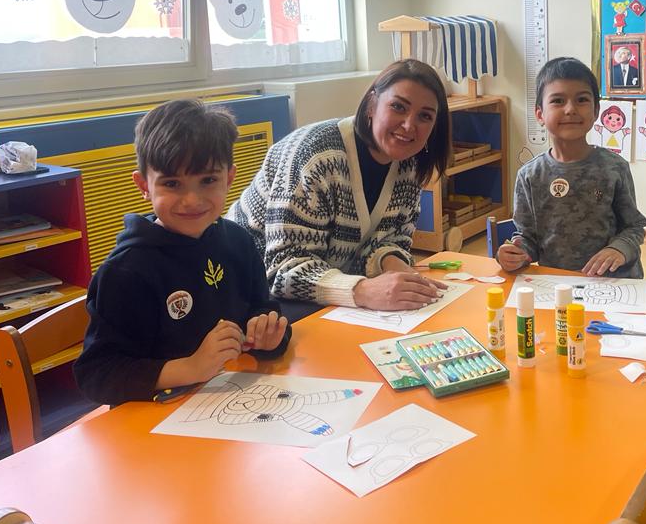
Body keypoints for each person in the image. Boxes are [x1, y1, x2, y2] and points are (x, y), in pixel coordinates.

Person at [75, 100, 291, 405]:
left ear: (229, 178)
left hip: (232, 399)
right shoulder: (126, 271)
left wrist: (269, 335)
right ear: (144, 185)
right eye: (172, 183)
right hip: (153, 419)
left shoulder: (238, 242)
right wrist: (189, 368)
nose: (192, 200)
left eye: (208, 180)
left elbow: (262, 309)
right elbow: (97, 375)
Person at [229, 59, 452, 313]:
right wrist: (363, 291)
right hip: (246, 287)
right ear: (371, 104)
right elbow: (283, 270)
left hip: (324, 282)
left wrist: (393, 265)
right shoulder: (316, 155)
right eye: (398, 107)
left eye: (425, 116)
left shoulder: (409, 165)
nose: (409, 125)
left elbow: (394, 239)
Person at [497, 58, 646, 278]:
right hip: (558, 284)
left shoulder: (614, 167)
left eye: (582, 100)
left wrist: (618, 249)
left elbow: (634, 227)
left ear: (596, 111)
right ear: (539, 114)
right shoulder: (529, 175)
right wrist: (515, 254)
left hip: (614, 283)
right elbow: (528, 239)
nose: (570, 109)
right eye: (557, 101)